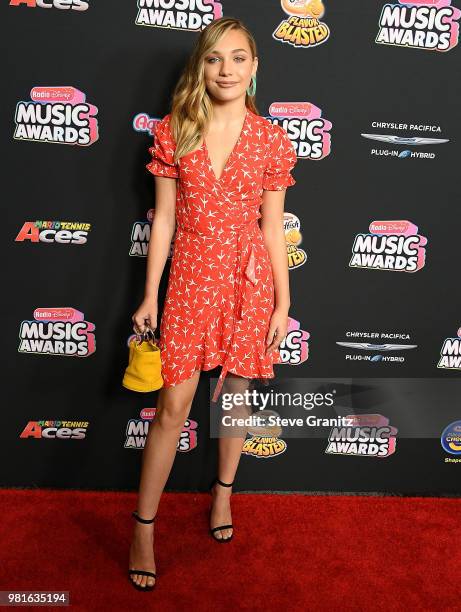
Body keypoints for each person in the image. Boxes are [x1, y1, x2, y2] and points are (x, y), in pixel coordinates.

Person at [128, 16, 298, 591]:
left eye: (238, 58)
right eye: (214, 58)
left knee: (235, 396)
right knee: (173, 405)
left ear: (254, 67)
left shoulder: (272, 137)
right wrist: (150, 293)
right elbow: (166, 220)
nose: (226, 69)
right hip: (193, 274)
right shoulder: (177, 129)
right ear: (199, 66)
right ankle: (143, 528)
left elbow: (274, 229)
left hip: (248, 283)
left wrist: (282, 303)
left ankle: (222, 497)